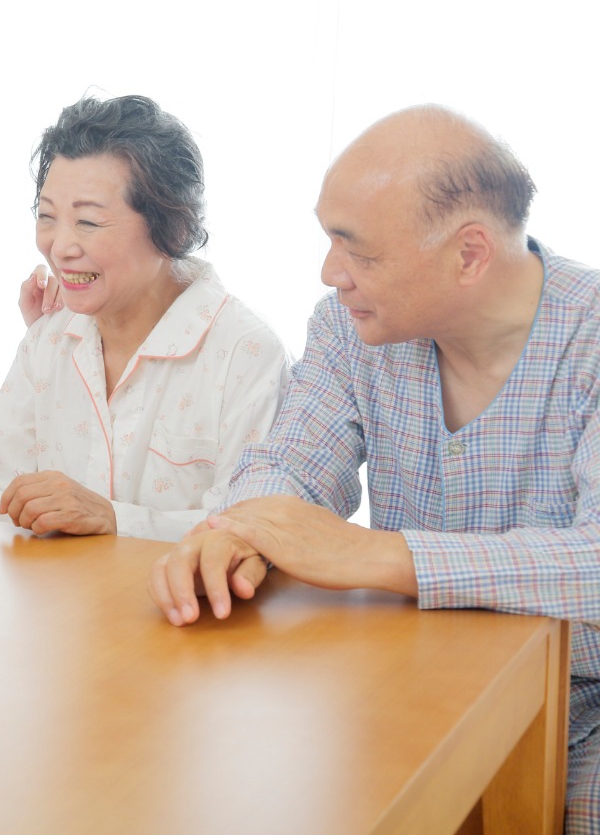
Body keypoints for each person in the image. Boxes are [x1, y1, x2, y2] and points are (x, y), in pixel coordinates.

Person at [146, 105, 600, 830]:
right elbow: (288, 464)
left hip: (585, 701)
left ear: (471, 254)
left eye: (358, 251)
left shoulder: (590, 338)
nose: (332, 274)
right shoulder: (347, 328)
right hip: (414, 684)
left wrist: (377, 554)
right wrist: (240, 533)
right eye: (329, 240)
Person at [0, 95, 289, 540]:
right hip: (52, 605)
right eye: (48, 217)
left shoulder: (246, 354)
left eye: (89, 223)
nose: (60, 247)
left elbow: (254, 527)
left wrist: (115, 519)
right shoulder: (48, 341)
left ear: (172, 228)